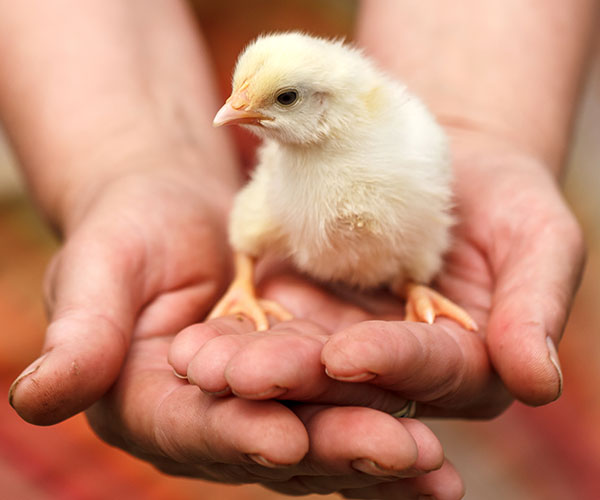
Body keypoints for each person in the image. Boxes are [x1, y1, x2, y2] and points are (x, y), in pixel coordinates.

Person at [0, 0, 592, 498]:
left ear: (331, 104)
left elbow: (425, 208)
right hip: (77, 107)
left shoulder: (410, 144)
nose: (233, 110)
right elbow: (258, 213)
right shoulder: (293, 160)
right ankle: (244, 277)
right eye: (242, 97)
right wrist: (131, 162)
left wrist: (488, 126)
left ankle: (416, 285)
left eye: (281, 100)